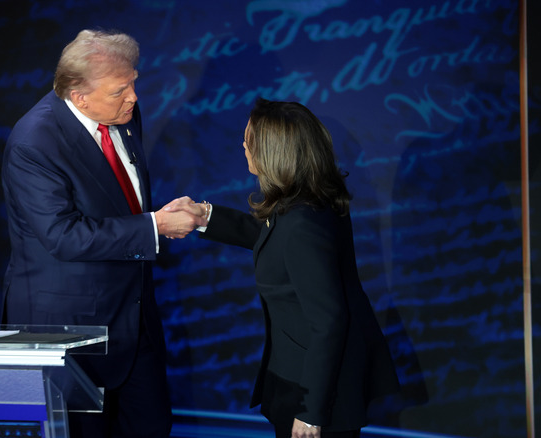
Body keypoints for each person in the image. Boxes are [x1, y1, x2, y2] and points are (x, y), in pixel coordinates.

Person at [1, 29, 203, 438]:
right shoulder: (34, 142)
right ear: (79, 97)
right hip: (71, 333)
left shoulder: (122, 114)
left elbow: (114, 197)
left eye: (133, 84)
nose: (133, 97)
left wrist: (159, 215)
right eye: (120, 90)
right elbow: (62, 235)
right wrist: (154, 226)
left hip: (134, 320)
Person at [168, 99, 399, 438]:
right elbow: (273, 239)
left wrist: (311, 414)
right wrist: (206, 216)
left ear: (272, 153)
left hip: (314, 393)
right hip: (296, 377)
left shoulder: (303, 223)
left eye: (249, 139)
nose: (243, 145)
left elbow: (328, 323)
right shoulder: (304, 201)